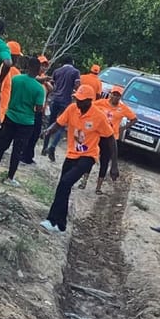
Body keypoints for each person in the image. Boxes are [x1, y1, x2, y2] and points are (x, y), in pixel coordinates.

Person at [40, 85, 117, 234]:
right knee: (63, 186)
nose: (78, 103)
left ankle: (51, 220)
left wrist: (114, 165)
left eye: (81, 100)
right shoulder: (72, 109)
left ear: (90, 101)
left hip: (88, 156)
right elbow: (59, 123)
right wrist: (48, 131)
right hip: (72, 154)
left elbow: (111, 139)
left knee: (65, 182)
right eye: (77, 99)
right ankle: (61, 225)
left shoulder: (98, 116)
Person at [0, 56, 46, 185]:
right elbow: (38, 109)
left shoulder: (15, 79)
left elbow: (8, 94)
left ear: (28, 67)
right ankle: (10, 178)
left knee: (1, 146)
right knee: (17, 151)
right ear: (38, 70)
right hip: (26, 123)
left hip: (10, 117)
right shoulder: (39, 89)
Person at [84, 85, 137, 194]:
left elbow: (134, 119)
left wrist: (123, 128)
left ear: (120, 97)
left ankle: (98, 187)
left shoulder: (123, 108)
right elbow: (90, 107)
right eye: (114, 94)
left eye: (118, 95)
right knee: (90, 157)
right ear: (110, 94)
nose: (115, 97)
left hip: (111, 138)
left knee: (104, 161)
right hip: (98, 135)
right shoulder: (101, 103)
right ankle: (84, 180)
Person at [41, 55, 80, 161]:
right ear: (72, 62)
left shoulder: (57, 71)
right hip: (66, 101)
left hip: (55, 99)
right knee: (62, 126)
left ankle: (44, 147)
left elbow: (52, 85)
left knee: (51, 124)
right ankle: (52, 147)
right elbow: (77, 86)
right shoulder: (75, 72)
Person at [20, 54, 52, 165]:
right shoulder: (35, 78)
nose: (43, 68)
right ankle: (24, 155)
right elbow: (38, 79)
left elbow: (50, 89)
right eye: (41, 65)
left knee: (35, 135)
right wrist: (45, 80)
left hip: (40, 110)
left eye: (45, 66)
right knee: (29, 134)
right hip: (32, 110)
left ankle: (29, 155)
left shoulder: (43, 79)